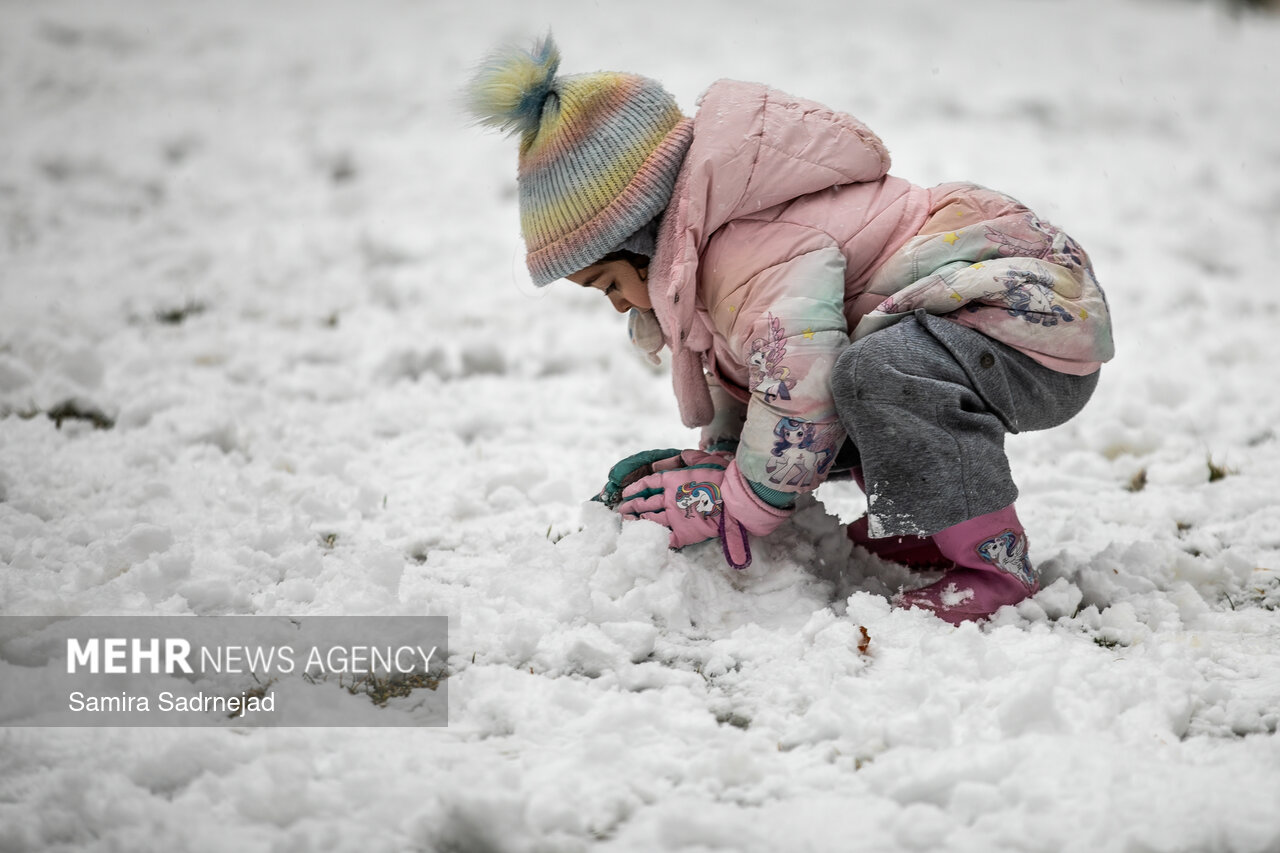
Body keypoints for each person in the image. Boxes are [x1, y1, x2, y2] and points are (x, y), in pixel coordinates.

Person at [465, 35, 1113, 624]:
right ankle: (928, 525)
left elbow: (799, 393)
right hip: (977, 326)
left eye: (608, 284)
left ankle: (996, 569)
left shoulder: (747, 248)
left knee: (872, 372)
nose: (615, 307)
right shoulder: (710, 258)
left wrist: (734, 506)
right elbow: (756, 384)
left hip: (1028, 314)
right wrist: (721, 462)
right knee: (862, 372)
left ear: (640, 237)